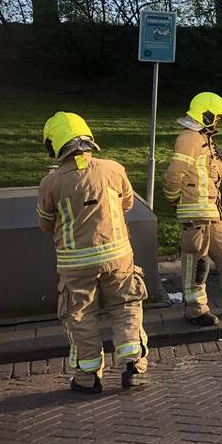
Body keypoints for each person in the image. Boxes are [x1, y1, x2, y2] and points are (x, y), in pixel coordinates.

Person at [36, 112, 149, 393]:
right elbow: (127, 205)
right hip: (119, 257)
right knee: (126, 307)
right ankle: (134, 367)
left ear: (54, 145)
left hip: (75, 266)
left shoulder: (50, 184)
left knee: (80, 315)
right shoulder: (114, 169)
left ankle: (87, 379)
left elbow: (45, 224)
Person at [163, 92, 222, 326]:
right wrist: (174, 199)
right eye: (217, 117)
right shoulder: (189, 139)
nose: (219, 122)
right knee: (198, 262)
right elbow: (173, 175)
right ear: (206, 116)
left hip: (213, 211)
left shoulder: (205, 139)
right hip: (195, 215)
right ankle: (195, 310)